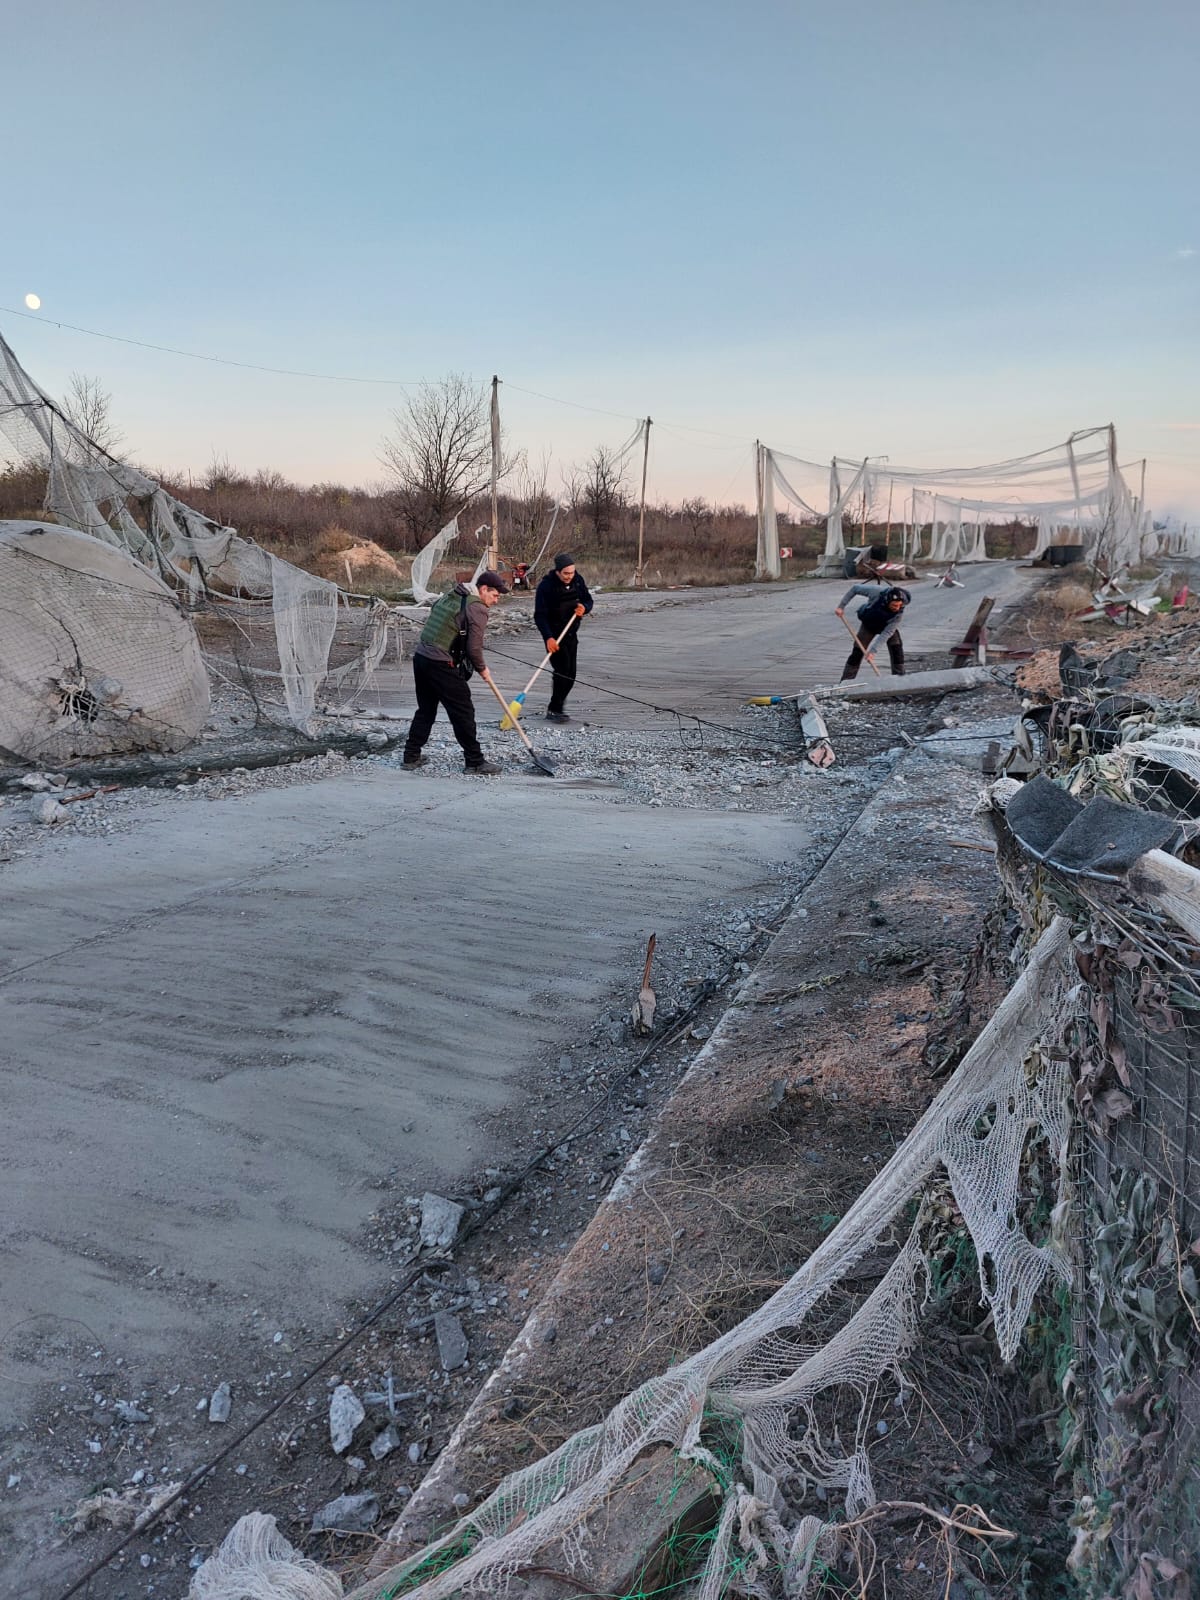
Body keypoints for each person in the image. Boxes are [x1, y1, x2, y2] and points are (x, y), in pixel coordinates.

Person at [403, 571, 508, 774]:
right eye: (495, 595)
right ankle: (475, 762)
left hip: (422, 658)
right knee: (463, 712)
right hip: (441, 664)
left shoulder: (453, 594)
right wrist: (482, 669)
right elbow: (474, 648)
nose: (496, 600)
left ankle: (410, 756)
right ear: (484, 589)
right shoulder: (477, 607)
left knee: (425, 710)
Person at [533, 552, 593, 722]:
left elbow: (588, 600)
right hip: (554, 637)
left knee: (571, 674)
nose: (569, 576)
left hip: (571, 633)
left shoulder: (578, 581)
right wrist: (548, 638)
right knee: (562, 671)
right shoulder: (546, 586)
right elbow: (540, 616)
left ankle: (557, 706)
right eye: (566, 573)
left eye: (572, 573)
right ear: (558, 571)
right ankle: (555, 709)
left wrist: (584, 608)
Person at [835, 582, 911, 680]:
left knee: (897, 649)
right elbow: (855, 588)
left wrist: (872, 651)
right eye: (894, 605)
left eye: (899, 605)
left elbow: (887, 633)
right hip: (869, 624)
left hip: (886, 625)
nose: (897, 608)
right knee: (857, 653)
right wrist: (841, 606)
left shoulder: (899, 613)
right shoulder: (876, 591)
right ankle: (845, 683)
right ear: (887, 601)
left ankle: (899, 681)